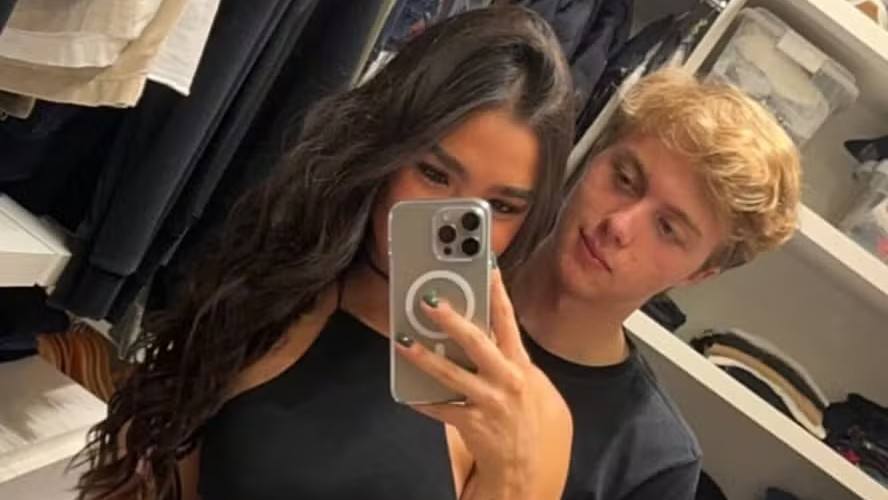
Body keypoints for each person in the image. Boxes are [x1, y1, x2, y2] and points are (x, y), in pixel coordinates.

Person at [74, 6, 576, 500]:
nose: (449, 227)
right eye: (434, 174)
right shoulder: (282, 283)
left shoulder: (531, 421)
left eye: (500, 207)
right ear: (385, 148)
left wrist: (512, 481)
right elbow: (163, 469)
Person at [512, 69, 802, 499]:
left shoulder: (653, 462)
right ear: (597, 154)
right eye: (625, 180)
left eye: (667, 228)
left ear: (697, 274)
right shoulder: (443, 259)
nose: (619, 225)